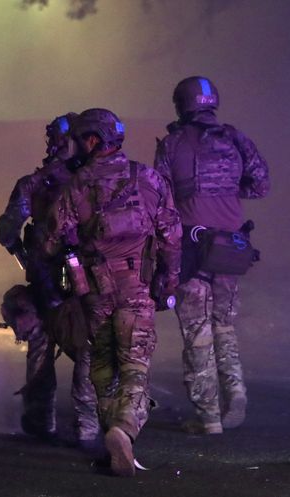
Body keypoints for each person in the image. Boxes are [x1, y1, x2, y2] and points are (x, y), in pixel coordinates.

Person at [45, 108, 181, 476]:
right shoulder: (148, 178)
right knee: (135, 366)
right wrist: (168, 282)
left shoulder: (77, 184)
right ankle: (124, 430)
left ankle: (111, 439)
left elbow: (50, 240)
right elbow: (171, 236)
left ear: (91, 140)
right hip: (137, 287)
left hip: (95, 292)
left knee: (103, 368)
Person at [154, 76, 270, 434]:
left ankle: (209, 416)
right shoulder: (236, 139)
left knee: (197, 330)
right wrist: (226, 195)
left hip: (191, 248)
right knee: (224, 325)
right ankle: (235, 391)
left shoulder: (173, 144)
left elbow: (159, 197)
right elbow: (261, 184)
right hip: (231, 249)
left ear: (181, 105)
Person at [0, 114, 99, 447]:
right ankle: (87, 426)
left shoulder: (34, 183)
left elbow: (7, 229)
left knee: (41, 344)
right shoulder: (94, 180)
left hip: (45, 281)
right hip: (89, 282)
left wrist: (24, 255)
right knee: (88, 348)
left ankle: (42, 421)